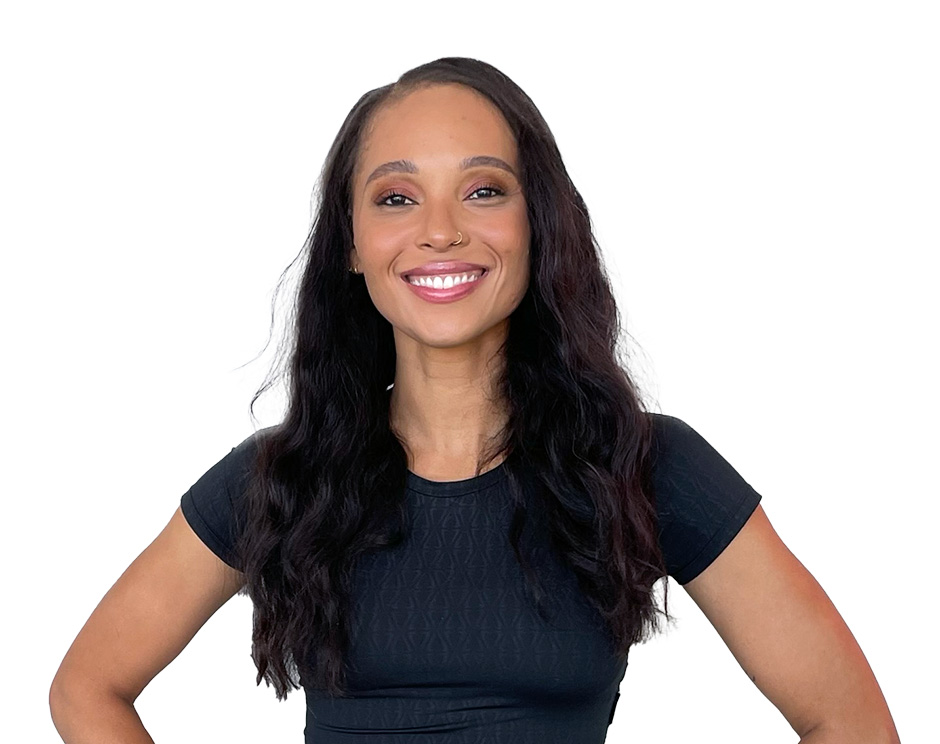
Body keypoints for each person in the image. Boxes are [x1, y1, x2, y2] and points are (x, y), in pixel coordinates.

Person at [49, 57, 900, 744]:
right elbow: (88, 689)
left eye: (484, 190)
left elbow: (851, 722)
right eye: (396, 198)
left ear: (538, 223)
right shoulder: (280, 477)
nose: (441, 230)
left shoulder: (645, 464)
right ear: (353, 245)